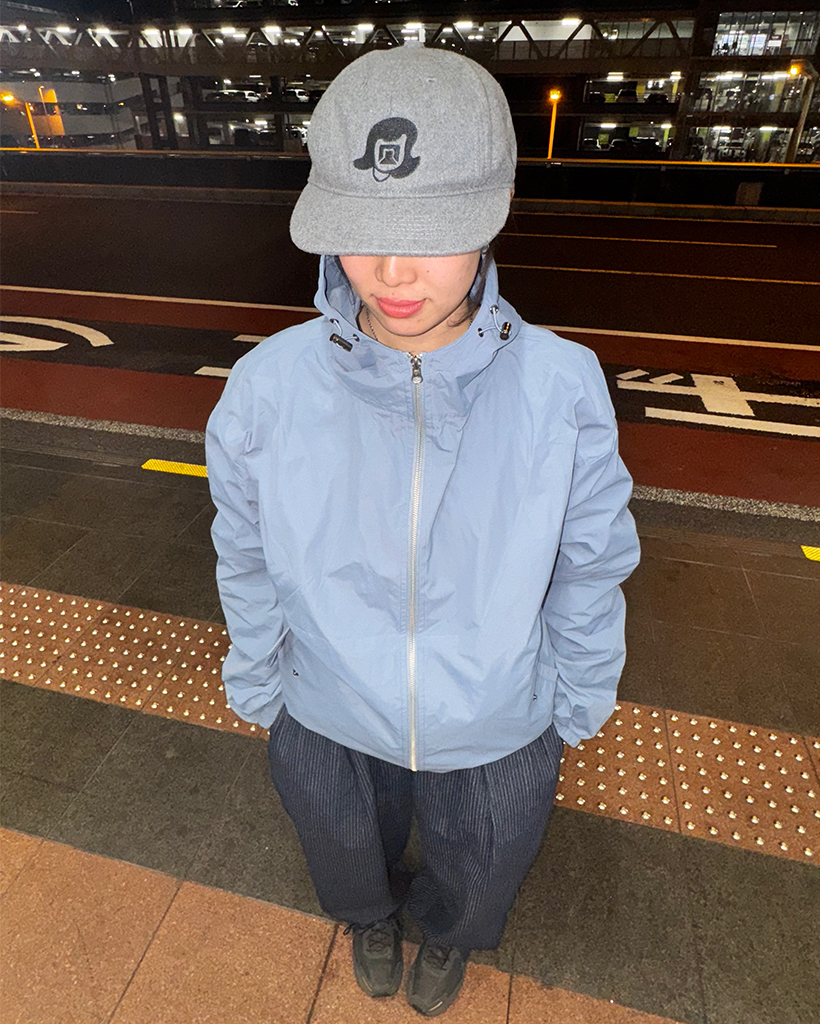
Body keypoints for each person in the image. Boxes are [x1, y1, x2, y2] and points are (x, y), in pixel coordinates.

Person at [206, 43, 640, 1018]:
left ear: (493, 216)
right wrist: (260, 678)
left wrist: (578, 692)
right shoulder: (268, 385)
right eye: (361, 233)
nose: (393, 272)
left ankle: (448, 931)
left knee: (482, 856)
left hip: (497, 713)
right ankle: (369, 914)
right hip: (324, 700)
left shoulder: (560, 383)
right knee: (340, 842)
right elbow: (246, 545)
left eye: (431, 235)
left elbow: (590, 558)